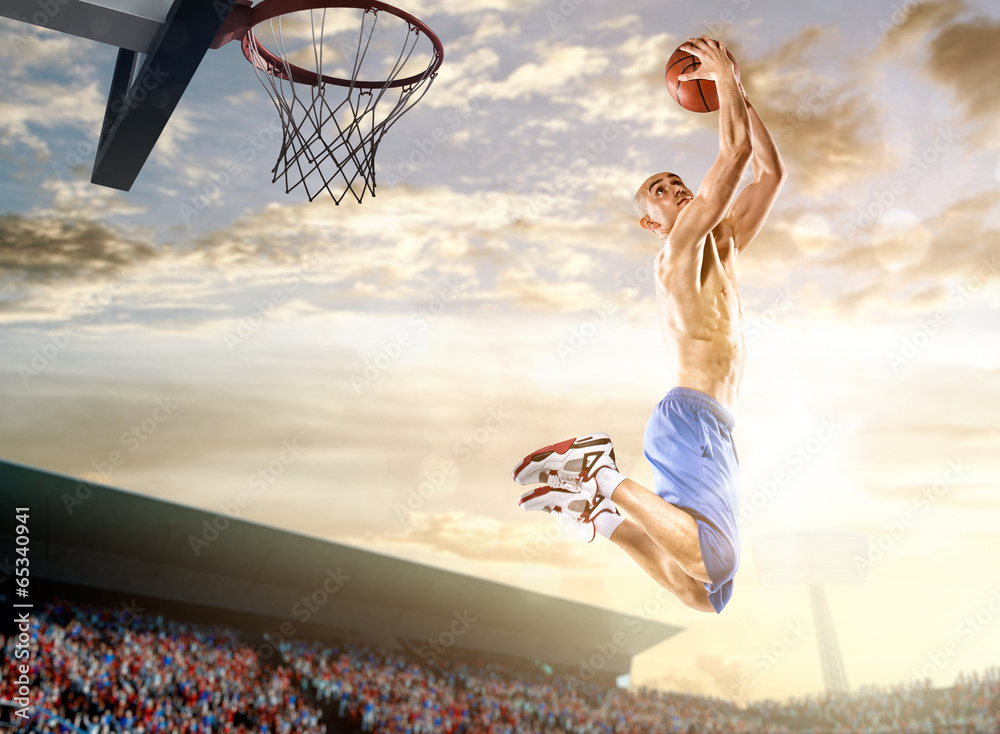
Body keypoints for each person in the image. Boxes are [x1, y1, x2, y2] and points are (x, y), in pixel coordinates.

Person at [512, 37, 786, 613]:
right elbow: (733, 158)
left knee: (704, 593)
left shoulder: (725, 242)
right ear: (651, 221)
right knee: (719, 560)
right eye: (660, 191)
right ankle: (600, 474)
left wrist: (737, 93)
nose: (675, 189)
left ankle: (603, 516)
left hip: (712, 426)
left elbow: (769, 172)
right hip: (691, 416)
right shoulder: (679, 246)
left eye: (677, 182)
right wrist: (725, 81)